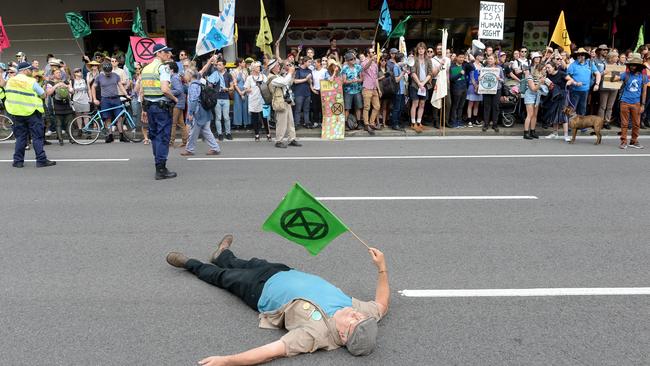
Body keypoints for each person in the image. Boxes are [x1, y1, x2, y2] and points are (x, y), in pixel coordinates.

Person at [165, 234, 389, 364]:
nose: (357, 314)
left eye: (355, 321)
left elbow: (271, 350)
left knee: (223, 277)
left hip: (259, 290)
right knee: (248, 262)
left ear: (343, 335)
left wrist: (227, 361)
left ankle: (189, 264)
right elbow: (382, 304)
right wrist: (382, 268)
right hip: (283, 272)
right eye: (361, 317)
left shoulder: (316, 334)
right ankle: (222, 254)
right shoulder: (362, 313)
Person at [5, 62, 56, 168]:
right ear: (25, 70)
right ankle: (41, 160)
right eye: (30, 69)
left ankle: (18, 161)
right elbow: (42, 94)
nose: (32, 71)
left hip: (16, 113)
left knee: (20, 138)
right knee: (37, 137)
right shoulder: (31, 81)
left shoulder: (10, 81)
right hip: (32, 112)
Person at [141, 44, 178, 180]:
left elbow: (142, 91)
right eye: (166, 52)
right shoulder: (163, 68)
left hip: (150, 107)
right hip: (161, 108)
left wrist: (143, 109)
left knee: (155, 136)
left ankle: (159, 165)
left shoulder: (145, 69)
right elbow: (164, 89)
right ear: (158, 53)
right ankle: (161, 169)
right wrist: (175, 98)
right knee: (163, 137)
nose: (168, 54)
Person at [181, 69, 221, 156]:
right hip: (205, 110)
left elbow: (194, 100)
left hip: (198, 112)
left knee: (193, 131)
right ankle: (215, 148)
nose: (184, 76)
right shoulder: (200, 83)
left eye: (185, 74)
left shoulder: (193, 85)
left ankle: (189, 149)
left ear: (190, 75)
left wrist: (190, 113)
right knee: (206, 130)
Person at [615, 54, 648, 149]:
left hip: (637, 103)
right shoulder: (626, 74)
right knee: (624, 123)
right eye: (631, 65)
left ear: (638, 66)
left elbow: (644, 92)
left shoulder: (644, 77)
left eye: (634, 65)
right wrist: (611, 74)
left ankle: (633, 141)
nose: (632, 67)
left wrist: (643, 104)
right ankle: (623, 141)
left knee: (636, 124)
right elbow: (614, 79)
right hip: (624, 101)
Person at [91, 62, 129, 143]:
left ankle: (122, 135)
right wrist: (94, 99)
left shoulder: (115, 76)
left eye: (109, 72)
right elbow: (93, 87)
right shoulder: (99, 77)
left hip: (116, 99)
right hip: (105, 100)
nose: (108, 73)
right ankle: (110, 135)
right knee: (107, 118)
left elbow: (120, 85)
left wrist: (126, 95)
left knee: (119, 118)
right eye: (106, 72)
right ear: (103, 70)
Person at [269, 59, 301, 148]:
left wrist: (292, 73)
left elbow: (288, 83)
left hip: (286, 100)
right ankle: (278, 141)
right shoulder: (272, 78)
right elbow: (284, 82)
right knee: (281, 122)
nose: (280, 67)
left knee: (290, 122)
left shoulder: (278, 76)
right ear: (273, 68)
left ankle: (292, 139)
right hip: (279, 102)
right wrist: (290, 72)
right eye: (277, 66)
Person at [200, 57, 234, 141]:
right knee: (218, 117)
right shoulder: (215, 74)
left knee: (226, 117)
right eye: (217, 65)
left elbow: (232, 87)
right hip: (217, 98)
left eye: (220, 65)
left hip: (226, 98)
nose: (218, 66)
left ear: (224, 66)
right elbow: (210, 84)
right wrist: (210, 85)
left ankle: (228, 133)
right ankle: (219, 133)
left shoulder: (228, 75)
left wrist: (227, 89)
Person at [543, 60, 574, 142]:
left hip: (562, 96)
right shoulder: (548, 76)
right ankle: (555, 133)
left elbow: (571, 80)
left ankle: (566, 135)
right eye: (546, 68)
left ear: (554, 67)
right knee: (554, 114)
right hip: (554, 96)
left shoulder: (561, 73)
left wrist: (568, 83)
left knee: (563, 115)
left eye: (549, 68)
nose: (547, 69)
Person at [567, 48, 601, 116]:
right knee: (572, 109)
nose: (580, 56)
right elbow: (567, 76)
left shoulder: (590, 63)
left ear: (585, 56)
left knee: (582, 109)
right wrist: (575, 83)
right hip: (574, 91)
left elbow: (598, 73)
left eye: (582, 55)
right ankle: (571, 126)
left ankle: (581, 126)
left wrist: (597, 84)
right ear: (576, 56)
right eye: (578, 55)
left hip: (585, 91)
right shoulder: (573, 65)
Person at [45, 69, 75, 145]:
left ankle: (71, 138)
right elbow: (48, 93)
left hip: (67, 105)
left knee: (69, 123)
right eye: (57, 73)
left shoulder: (65, 81)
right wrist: (56, 85)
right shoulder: (50, 83)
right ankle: (60, 140)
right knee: (58, 124)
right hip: (56, 105)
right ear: (53, 75)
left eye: (60, 73)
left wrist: (67, 86)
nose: (59, 74)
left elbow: (72, 91)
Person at [409, 42, 433, 132]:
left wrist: (423, 83)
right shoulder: (413, 59)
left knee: (422, 104)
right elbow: (412, 72)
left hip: (425, 85)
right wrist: (419, 83)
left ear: (425, 50)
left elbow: (430, 73)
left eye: (422, 49)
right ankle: (413, 122)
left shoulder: (428, 60)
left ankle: (419, 122)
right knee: (415, 103)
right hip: (415, 85)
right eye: (419, 49)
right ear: (417, 50)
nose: (421, 50)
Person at [244, 61, 270, 141]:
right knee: (255, 118)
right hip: (253, 100)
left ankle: (268, 134)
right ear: (253, 68)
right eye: (258, 66)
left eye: (259, 66)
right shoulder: (249, 78)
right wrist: (249, 89)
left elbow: (268, 85)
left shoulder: (263, 76)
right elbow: (245, 88)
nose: (259, 68)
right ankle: (256, 134)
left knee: (265, 118)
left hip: (263, 100)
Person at [522, 53, 546, 140]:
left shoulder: (541, 76)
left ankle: (532, 131)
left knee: (535, 115)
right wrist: (540, 82)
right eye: (540, 69)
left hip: (537, 95)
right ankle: (526, 132)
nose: (542, 71)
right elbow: (533, 88)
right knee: (530, 114)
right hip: (530, 95)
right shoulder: (529, 76)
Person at [479, 54, 504, 133]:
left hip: (497, 89)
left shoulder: (499, 68)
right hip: (487, 90)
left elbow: (503, 80)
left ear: (495, 60)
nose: (489, 60)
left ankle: (495, 124)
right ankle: (486, 124)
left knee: (495, 107)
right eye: (488, 59)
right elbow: (480, 79)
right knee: (487, 107)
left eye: (491, 59)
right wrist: (480, 78)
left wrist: (499, 78)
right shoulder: (484, 69)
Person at [168, 61, 188, 148]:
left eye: (167, 68)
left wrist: (168, 91)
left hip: (177, 102)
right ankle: (185, 141)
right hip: (180, 102)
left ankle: (171, 142)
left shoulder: (174, 78)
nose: (166, 70)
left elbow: (179, 90)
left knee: (173, 123)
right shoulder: (176, 77)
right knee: (181, 123)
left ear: (171, 69)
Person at [341, 53, 364, 130]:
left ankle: (359, 123)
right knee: (347, 108)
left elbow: (361, 79)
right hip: (348, 91)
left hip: (357, 90)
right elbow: (344, 81)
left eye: (354, 58)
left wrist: (357, 80)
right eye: (351, 59)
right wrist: (351, 81)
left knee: (358, 107)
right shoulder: (344, 68)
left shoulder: (358, 67)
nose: (354, 60)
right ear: (347, 61)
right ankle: (345, 124)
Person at [598, 52, 620, 130]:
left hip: (614, 87)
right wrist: (604, 72)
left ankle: (607, 122)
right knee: (603, 106)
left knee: (610, 106)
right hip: (604, 87)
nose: (617, 58)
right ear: (611, 58)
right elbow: (598, 74)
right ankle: (600, 122)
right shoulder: (603, 64)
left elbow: (620, 77)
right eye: (616, 57)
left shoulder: (618, 66)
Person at [361, 47, 381, 133]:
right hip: (367, 87)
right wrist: (371, 60)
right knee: (367, 107)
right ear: (368, 54)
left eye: (374, 52)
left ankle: (372, 123)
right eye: (372, 52)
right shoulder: (364, 62)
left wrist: (379, 89)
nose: (374, 53)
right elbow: (365, 67)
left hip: (374, 88)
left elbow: (376, 77)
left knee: (377, 106)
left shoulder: (375, 64)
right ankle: (366, 124)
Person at [292, 56, 314, 129]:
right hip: (299, 92)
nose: (310, 63)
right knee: (298, 109)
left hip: (307, 92)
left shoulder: (309, 70)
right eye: (309, 62)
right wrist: (305, 79)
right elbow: (295, 81)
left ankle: (307, 122)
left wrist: (309, 81)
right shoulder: (298, 70)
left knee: (306, 109)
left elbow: (310, 82)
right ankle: (297, 123)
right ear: (304, 62)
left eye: (310, 62)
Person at [449, 53, 468, 128]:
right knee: (455, 106)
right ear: (456, 57)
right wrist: (460, 74)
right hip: (456, 89)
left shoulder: (464, 66)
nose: (462, 59)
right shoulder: (452, 66)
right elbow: (451, 79)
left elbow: (472, 66)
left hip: (464, 88)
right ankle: (453, 121)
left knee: (461, 106)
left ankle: (459, 121)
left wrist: (468, 59)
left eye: (463, 58)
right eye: (460, 57)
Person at [232, 58, 251, 129]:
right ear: (239, 63)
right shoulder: (234, 71)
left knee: (245, 106)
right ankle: (238, 124)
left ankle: (246, 123)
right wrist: (240, 93)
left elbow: (247, 82)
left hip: (244, 90)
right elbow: (234, 84)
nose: (244, 63)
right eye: (243, 62)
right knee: (237, 107)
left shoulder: (245, 71)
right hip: (237, 91)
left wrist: (244, 91)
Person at [465, 53, 483, 128]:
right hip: (472, 86)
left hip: (480, 86)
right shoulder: (472, 65)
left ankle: (475, 120)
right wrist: (475, 86)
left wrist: (479, 86)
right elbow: (471, 77)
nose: (482, 57)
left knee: (477, 104)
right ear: (477, 57)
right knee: (471, 103)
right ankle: (469, 120)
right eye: (481, 56)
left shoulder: (482, 66)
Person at [390, 53, 406, 131]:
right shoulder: (396, 67)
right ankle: (394, 124)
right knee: (396, 108)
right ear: (401, 59)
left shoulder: (400, 66)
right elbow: (396, 80)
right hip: (398, 91)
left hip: (402, 91)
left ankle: (398, 122)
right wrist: (403, 73)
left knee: (401, 108)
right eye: (403, 58)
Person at [310, 57, 328, 127]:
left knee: (322, 107)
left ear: (319, 63)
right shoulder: (313, 71)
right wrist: (312, 89)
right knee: (315, 107)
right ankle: (316, 121)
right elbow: (310, 82)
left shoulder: (325, 71)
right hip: (315, 91)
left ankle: (322, 122)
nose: (314, 64)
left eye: (315, 63)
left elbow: (327, 80)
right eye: (313, 63)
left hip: (323, 91)